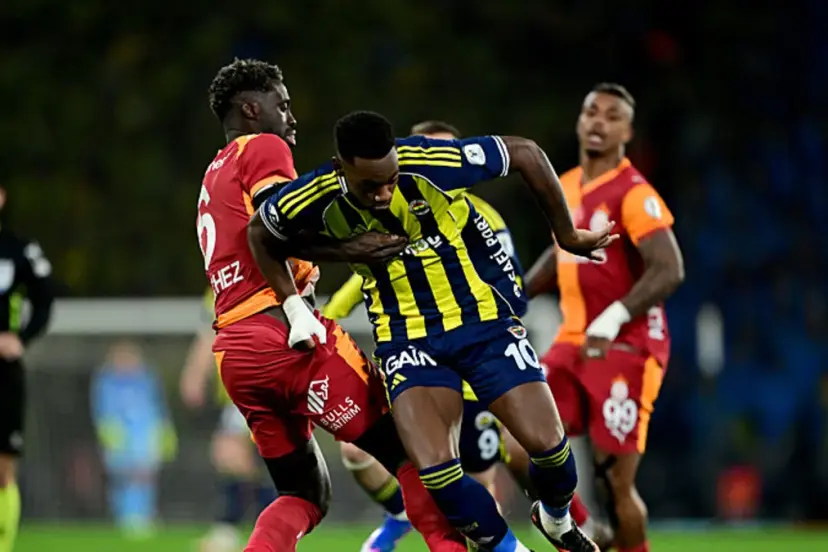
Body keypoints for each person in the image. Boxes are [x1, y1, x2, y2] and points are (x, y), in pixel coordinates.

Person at [249, 110, 616, 552]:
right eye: (371, 187)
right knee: (438, 476)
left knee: (551, 449)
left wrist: (567, 234)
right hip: (406, 339)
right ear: (340, 168)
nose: (385, 194)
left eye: (391, 181)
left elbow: (524, 152)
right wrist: (318, 279)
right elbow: (261, 233)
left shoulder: (429, 162)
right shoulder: (313, 193)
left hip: (480, 323)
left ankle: (555, 518)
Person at [199, 58, 468, 552]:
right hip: (285, 335)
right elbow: (276, 227)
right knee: (415, 453)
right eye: (282, 104)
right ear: (251, 109)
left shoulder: (213, 174)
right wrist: (350, 246)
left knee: (303, 493)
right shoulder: (264, 147)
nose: (291, 117)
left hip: (236, 353)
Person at [325, 120, 535, 552]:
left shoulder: (483, 218)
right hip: (420, 361)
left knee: (480, 491)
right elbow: (366, 277)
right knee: (358, 452)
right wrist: (323, 320)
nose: (439, 165)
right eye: (428, 154)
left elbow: (512, 288)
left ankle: (572, 524)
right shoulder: (396, 207)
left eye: (449, 156)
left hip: (473, 367)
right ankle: (403, 513)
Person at [525, 83, 685, 552]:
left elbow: (669, 268)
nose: (598, 121)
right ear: (579, 120)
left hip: (626, 345)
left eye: (612, 116)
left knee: (615, 483)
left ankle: (617, 538)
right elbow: (560, 253)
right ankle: (581, 529)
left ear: (627, 132)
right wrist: (513, 292)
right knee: (519, 437)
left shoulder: (633, 193)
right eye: (591, 111)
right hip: (571, 341)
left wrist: (613, 318)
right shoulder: (566, 184)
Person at [180, 288, 276, 552]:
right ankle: (270, 526)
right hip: (238, 388)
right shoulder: (217, 288)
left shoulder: (262, 281)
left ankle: (233, 529)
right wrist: (195, 374)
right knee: (240, 460)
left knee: (229, 453)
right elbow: (207, 333)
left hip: (258, 381)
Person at [0, 184, 54, 552]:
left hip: (3, 373)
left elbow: (45, 299)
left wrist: (21, 338)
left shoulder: (18, 250)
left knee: (3, 469)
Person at [91, 340, 177, 538]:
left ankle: (144, 515)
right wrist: (110, 435)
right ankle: (125, 516)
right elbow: (102, 410)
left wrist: (163, 432)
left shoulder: (147, 379)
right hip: (120, 438)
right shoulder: (106, 382)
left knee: (145, 477)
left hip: (145, 435)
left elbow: (157, 407)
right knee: (124, 478)